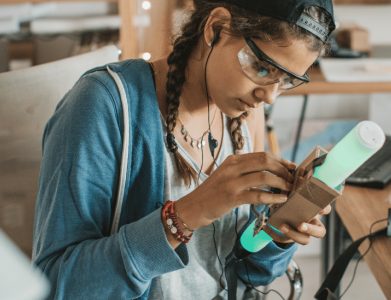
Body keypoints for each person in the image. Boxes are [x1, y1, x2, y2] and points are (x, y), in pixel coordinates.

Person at [32, 0, 336, 299]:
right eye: (261, 67)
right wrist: (186, 215)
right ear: (216, 27)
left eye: (286, 81)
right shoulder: (103, 105)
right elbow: (57, 285)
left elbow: (247, 275)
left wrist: (276, 231)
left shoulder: (241, 119)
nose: (269, 96)